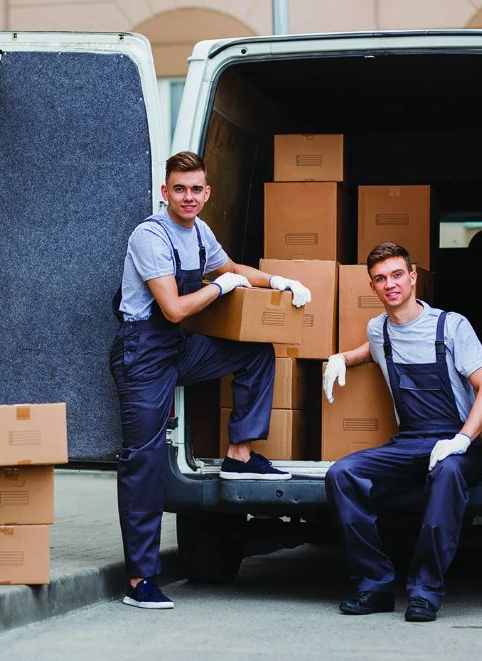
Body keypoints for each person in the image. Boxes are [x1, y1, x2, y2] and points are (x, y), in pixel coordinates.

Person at [110, 151, 312, 610]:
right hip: (142, 352)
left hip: (178, 347)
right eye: (179, 188)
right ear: (165, 192)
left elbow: (233, 270)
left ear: (207, 192)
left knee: (256, 350)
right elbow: (174, 309)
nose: (188, 196)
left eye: (196, 188)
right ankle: (140, 580)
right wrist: (220, 289)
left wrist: (278, 282)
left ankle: (239, 454)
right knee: (143, 463)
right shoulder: (151, 235)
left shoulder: (200, 232)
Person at [322, 242, 482, 622]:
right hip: (409, 442)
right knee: (342, 474)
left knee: (448, 475)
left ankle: (425, 590)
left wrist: (462, 441)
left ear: (414, 276)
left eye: (397, 274)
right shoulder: (378, 329)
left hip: (455, 440)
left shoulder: (450, 325)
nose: (390, 284)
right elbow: (371, 349)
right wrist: (342, 358)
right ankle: (374, 585)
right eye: (380, 278)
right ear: (372, 287)